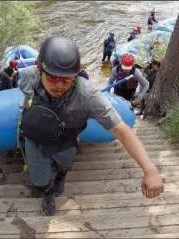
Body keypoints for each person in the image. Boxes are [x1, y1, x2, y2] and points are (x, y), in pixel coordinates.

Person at [18, 36, 164, 216]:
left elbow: (121, 129)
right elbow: (27, 96)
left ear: (77, 74)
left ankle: (61, 178)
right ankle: (47, 194)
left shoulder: (87, 95)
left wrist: (149, 169)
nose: (59, 85)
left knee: (64, 165)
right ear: (40, 69)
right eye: (53, 77)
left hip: (66, 140)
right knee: (39, 181)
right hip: (37, 138)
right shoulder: (29, 76)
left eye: (67, 79)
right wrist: (28, 112)